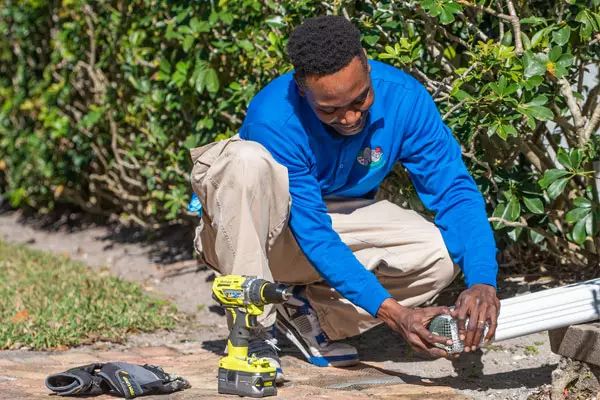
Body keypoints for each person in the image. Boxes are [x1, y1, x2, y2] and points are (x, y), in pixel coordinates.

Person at [189, 15, 500, 382]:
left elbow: (454, 191)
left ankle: (308, 315)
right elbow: (313, 232)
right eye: (329, 110)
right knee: (244, 161)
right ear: (303, 91)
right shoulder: (274, 117)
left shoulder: (404, 98)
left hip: (324, 223)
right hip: (260, 239)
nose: (350, 118)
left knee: (439, 255)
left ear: (366, 64)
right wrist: (393, 314)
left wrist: (483, 281)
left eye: (360, 99)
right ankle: (253, 331)